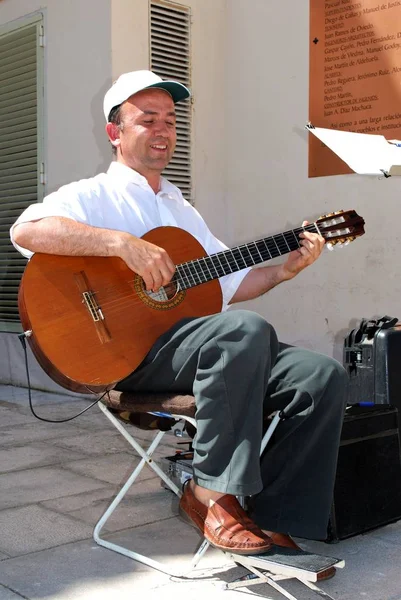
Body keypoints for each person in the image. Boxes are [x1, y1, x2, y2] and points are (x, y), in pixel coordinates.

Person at [11, 70, 347, 570]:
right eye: (148, 120)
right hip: (128, 355)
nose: (164, 130)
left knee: (319, 375)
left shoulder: (181, 210)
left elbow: (232, 284)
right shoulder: (93, 195)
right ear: (115, 132)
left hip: (194, 349)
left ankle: (278, 518)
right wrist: (121, 244)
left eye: (170, 120)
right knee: (244, 330)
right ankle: (209, 492)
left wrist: (284, 268)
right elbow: (28, 230)